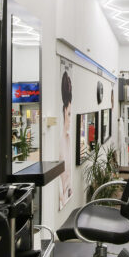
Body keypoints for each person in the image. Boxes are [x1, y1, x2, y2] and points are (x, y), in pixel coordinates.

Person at [59, 70, 73, 209]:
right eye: (69, 114)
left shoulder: (68, 140)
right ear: (64, 112)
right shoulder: (60, 144)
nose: (70, 119)